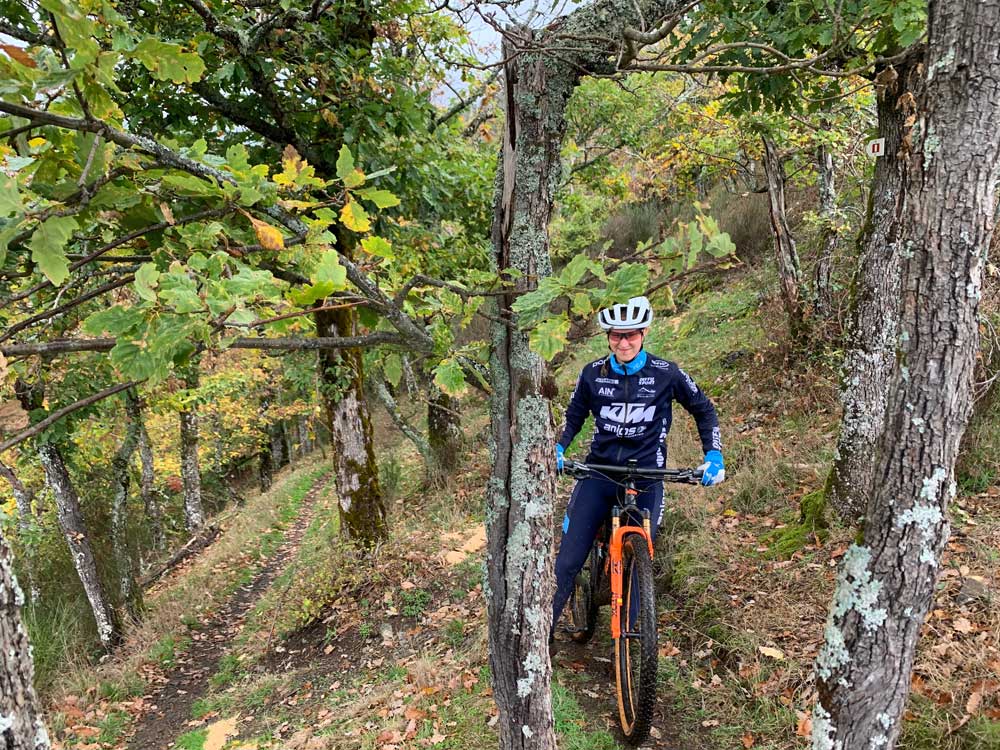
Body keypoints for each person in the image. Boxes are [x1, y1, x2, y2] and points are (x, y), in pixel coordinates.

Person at [552, 295, 724, 641]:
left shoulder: (666, 373)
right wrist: (556, 448)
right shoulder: (592, 374)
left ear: (643, 333)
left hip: (647, 476)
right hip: (599, 473)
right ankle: (539, 641)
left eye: (630, 335)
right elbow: (574, 417)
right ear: (608, 337)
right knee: (568, 561)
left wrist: (713, 455)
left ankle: (628, 641)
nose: (623, 343)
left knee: (639, 558)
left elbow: (704, 409)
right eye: (616, 335)